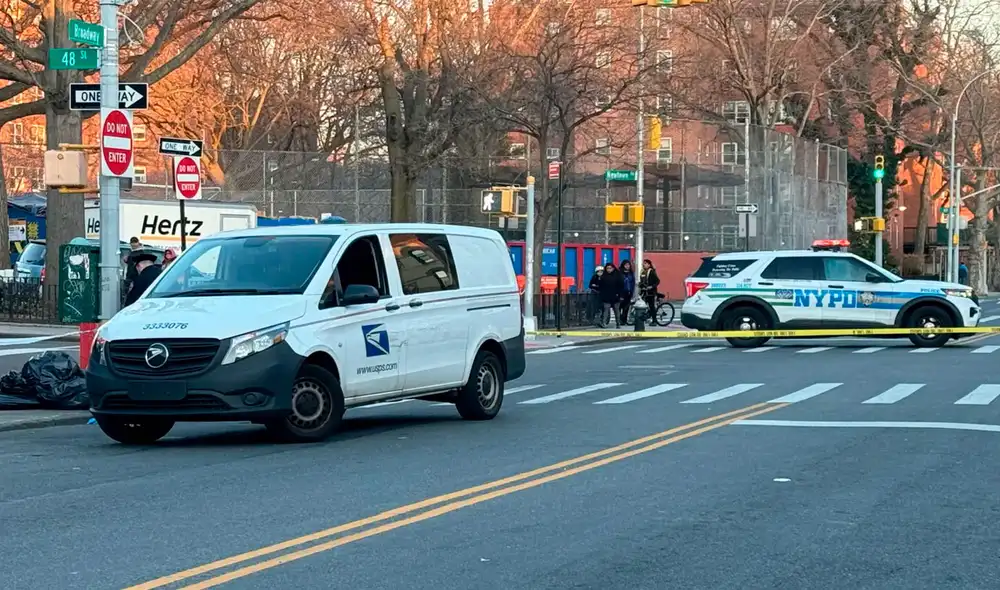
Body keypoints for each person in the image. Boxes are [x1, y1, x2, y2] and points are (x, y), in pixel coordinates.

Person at [597, 262, 624, 328]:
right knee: (606, 310)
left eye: (610, 268)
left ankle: (618, 323)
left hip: (616, 295)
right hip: (606, 296)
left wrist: (620, 295)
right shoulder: (604, 276)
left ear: (613, 268)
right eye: (607, 268)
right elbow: (601, 286)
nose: (609, 270)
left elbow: (621, 286)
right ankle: (604, 323)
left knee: (616, 311)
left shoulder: (618, 275)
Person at [619, 260, 636, 324]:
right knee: (620, 307)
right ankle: (620, 319)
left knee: (626, 307)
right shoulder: (620, 273)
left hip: (628, 292)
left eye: (628, 265)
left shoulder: (631, 273)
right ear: (623, 265)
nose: (627, 266)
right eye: (626, 265)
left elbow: (633, 283)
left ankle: (624, 320)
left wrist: (632, 292)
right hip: (621, 292)